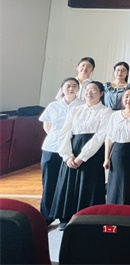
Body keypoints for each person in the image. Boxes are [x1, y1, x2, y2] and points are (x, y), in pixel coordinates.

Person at [51, 81, 112, 230]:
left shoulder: (106, 111)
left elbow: (100, 136)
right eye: (87, 90)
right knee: (68, 183)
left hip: (92, 153)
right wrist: (67, 155)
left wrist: (82, 157)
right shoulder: (75, 110)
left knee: (88, 184)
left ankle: (86, 217)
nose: (89, 92)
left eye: (94, 90)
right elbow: (65, 133)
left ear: (101, 93)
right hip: (73, 149)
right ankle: (66, 217)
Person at [39, 77, 85, 225]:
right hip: (51, 147)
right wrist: (58, 140)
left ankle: (65, 216)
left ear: (78, 89)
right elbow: (47, 125)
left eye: (74, 86)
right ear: (62, 89)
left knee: (67, 183)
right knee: (49, 182)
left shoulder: (83, 105)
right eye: (67, 86)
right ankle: (46, 216)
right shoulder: (54, 105)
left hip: (72, 149)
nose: (71, 89)